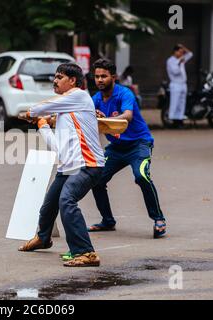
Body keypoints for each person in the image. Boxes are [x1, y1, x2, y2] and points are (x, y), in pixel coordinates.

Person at [18, 63, 105, 267]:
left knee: (67, 200)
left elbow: (42, 107)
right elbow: (57, 147)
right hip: (69, 167)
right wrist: (43, 125)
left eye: (59, 77)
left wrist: (32, 114)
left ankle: (86, 252)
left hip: (88, 164)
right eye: (54, 78)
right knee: (49, 204)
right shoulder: (66, 113)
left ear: (72, 81)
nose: (55, 81)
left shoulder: (79, 95)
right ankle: (43, 237)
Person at [87, 59, 167, 239]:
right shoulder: (96, 99)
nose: (99, 80)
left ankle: (159, 219)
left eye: (104, 76)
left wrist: (104, 119)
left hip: (139, 144)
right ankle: (107, 221)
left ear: (113, 77)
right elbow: (85, 118)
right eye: (97, 76)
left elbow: (127, 116)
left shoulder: (125, 94)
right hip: (116, 147)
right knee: (96, 179)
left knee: (141, 176)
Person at [166, 44, 193, 128]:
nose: (182, 54)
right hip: (175, 84)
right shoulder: (171, 61)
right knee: (175, 103)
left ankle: (180, 120)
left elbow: (190, 54)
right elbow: (175, 72)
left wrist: (184, 47)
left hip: (183, 84)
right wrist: (179, 62)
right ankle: (173, 120)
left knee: (182, 103)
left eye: (182, 52)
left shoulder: (181, 59)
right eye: (180, 52)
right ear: (175, 52)